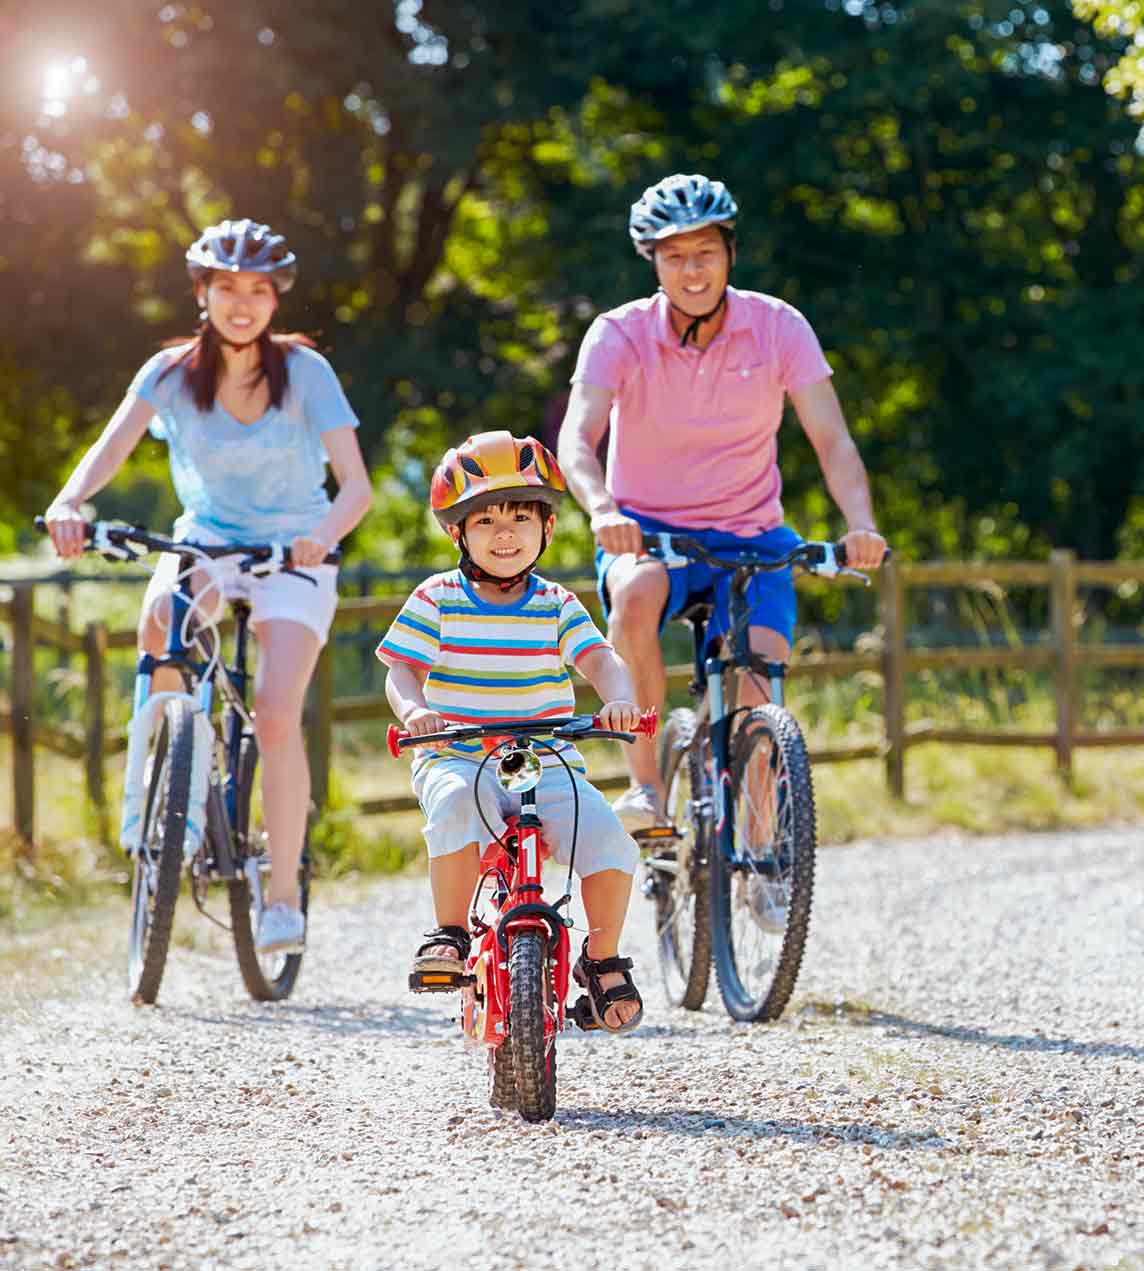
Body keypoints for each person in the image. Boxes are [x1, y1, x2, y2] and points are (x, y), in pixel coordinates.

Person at [43, 218, 372, 952]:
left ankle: (281, 893)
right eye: (227, 288)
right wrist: (72, 501)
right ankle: (167, 797)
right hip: (209, 539)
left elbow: (357, 487)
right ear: (203, 293)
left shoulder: (306, 373)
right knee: (162, 610)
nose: (243, 304)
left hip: (295, 549)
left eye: (258, 290)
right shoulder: (168, 372)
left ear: (275, 299)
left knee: (275, 713)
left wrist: (322, 536)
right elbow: (109, 449)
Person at [557, 172, 888, 830]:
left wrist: (861, 524)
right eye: (674, 255)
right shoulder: (617, 334)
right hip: (648, 532)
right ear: (652, 260)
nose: (692, 269)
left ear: (730, 252)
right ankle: (646, 784)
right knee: (636, 593)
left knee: (760, 671)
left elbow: (833, 440)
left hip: (753, 534)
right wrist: (601, 508)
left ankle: (763, 840)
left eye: (705, 251)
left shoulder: (778, 327)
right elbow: (576, 436)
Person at [375, 431, 644, 1033]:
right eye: (486, 519)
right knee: (450, 807)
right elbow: (402, 669)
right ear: (457, 534)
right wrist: (416, 712)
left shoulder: (556, 603)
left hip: (546, 755)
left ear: (546, 528)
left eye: (521, 516)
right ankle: (447, 932)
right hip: (459, 753)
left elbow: (599, 660)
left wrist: (619, 700)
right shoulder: (437, 597)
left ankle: (602, 960)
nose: (505, 533)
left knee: (607, 839)